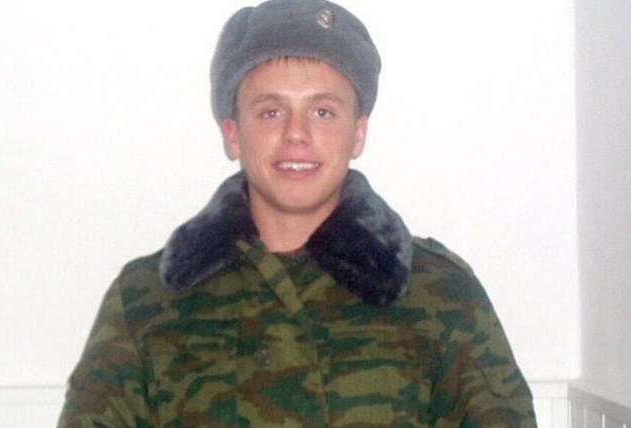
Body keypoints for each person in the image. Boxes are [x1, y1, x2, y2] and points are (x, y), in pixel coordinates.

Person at [58, 0, 537, 426]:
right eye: (271, 112)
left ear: (358, 133)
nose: (296, 135)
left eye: (322, 112)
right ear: (233, 133)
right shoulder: (145, 302)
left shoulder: (441, 295)